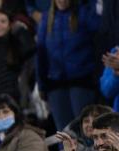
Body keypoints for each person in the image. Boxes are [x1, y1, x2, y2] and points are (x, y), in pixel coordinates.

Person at [36, 0, 100, 130]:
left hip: (82, 82)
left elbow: (99, 36)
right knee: (63, 132)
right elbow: (40, 54)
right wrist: (42, 85)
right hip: (55, 85)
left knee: (86, 130)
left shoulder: (85, 13)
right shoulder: (46, 18)